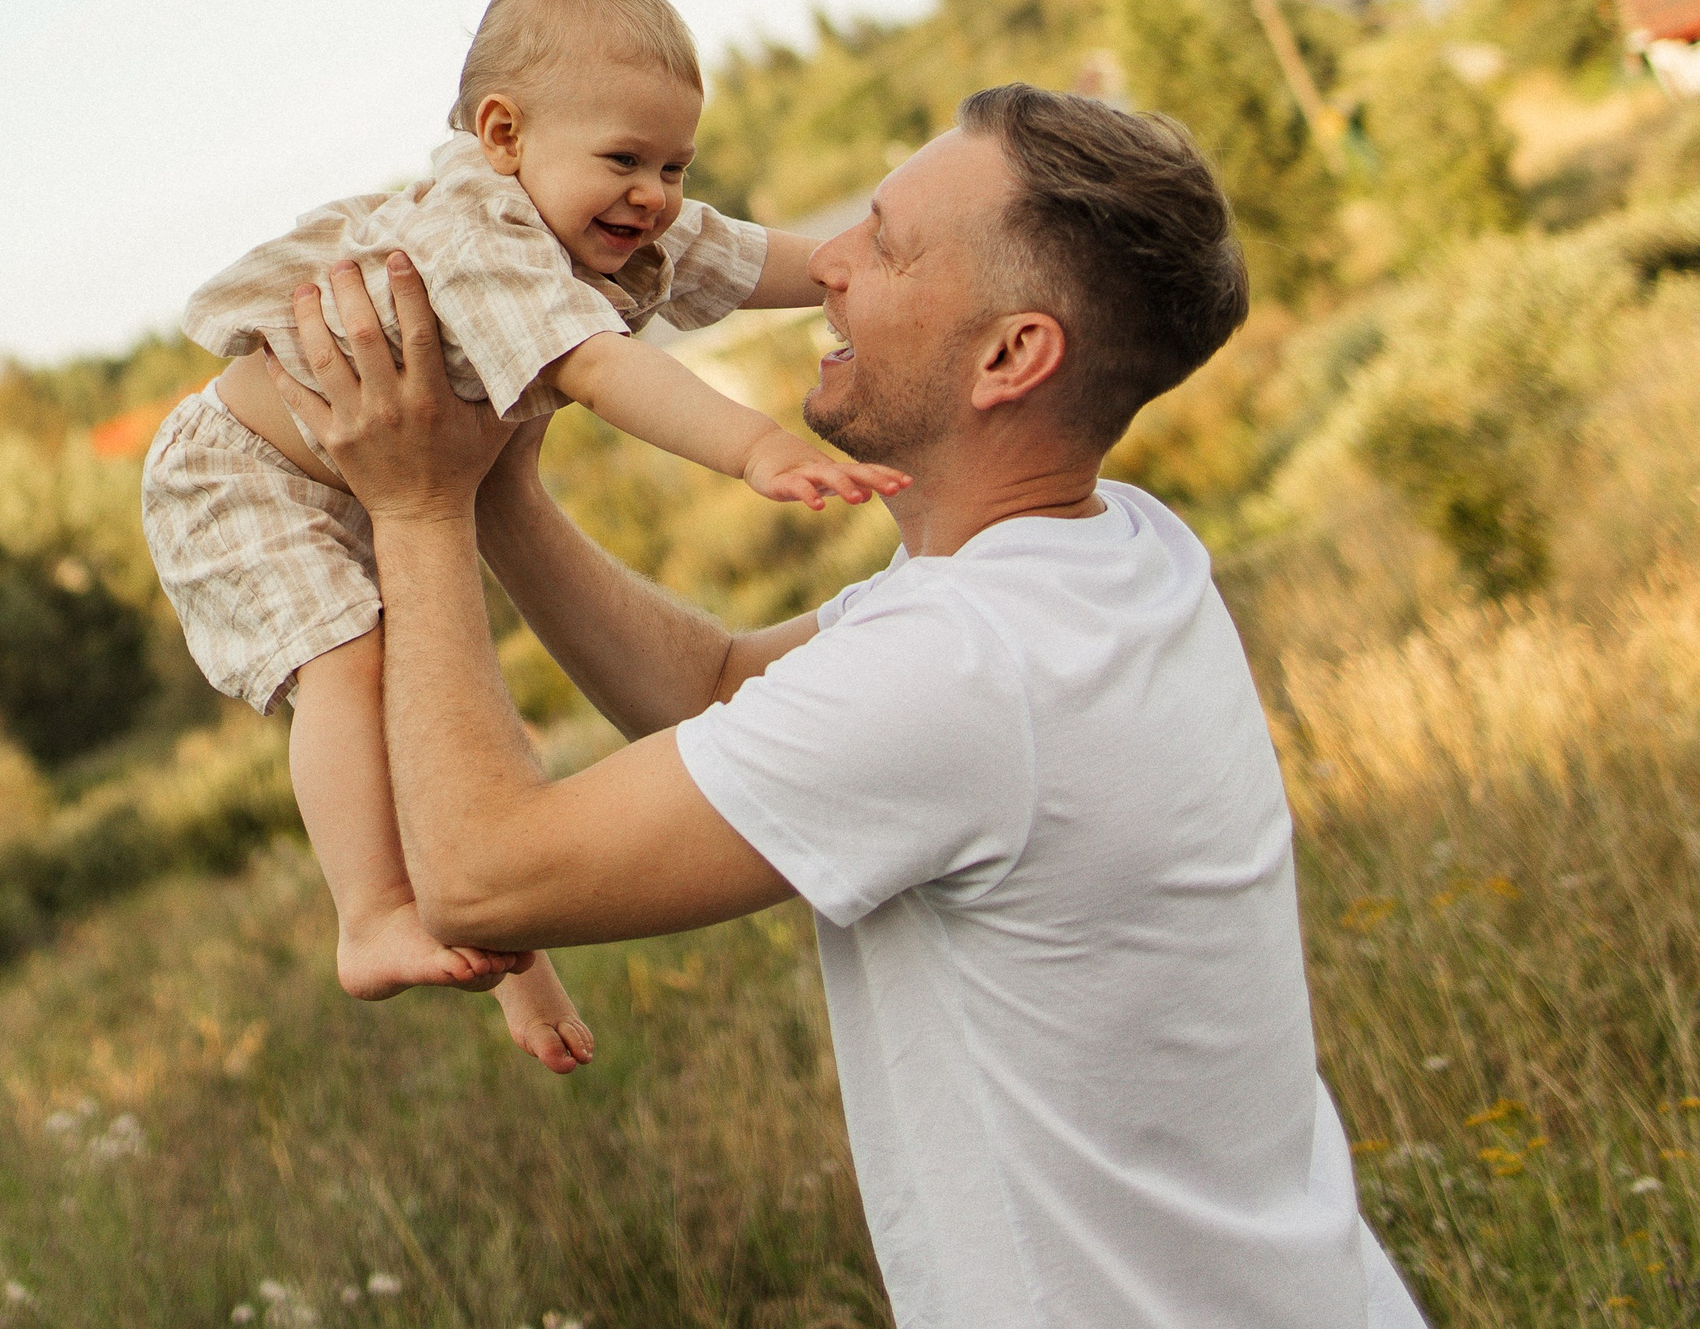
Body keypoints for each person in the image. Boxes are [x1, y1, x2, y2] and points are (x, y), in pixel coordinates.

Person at [263, 83, 1428, 1328]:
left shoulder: (970, 666)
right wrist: (496, 489)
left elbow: (483, 878)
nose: (829, 267)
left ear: (1011, 356)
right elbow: (708, 689)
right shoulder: (1103, 554)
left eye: (885, 242)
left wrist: (415, 511)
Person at [142, 0, 905, 1074]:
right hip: (245, 474)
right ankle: (369, 916)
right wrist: (756, 447)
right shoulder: (481, 231)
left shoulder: (608, 214)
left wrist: (852, 269)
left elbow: (746, 262)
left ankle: (506, 949)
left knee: (454, 710)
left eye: (674, 164)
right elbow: (597, 366)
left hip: (366, 472)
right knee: (354, 669)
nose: (653, 194)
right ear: (503, 135)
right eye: (626, 161)